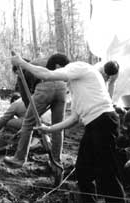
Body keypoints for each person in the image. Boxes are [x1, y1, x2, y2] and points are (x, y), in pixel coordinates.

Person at [11, 53, 126, 202]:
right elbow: (73, 118)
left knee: (106, 172)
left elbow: (46, 74)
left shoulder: (78, 67)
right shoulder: (76, 86)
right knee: (83, 171)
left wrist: (22, 63)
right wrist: (49, 129)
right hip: (93, 125)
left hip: (104, 121)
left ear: (59, 67)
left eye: (57, 73)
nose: (58, 79)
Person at [4, 54, 69, 185]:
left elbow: (26, 99)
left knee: (27, 123)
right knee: (58, 127)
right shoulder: (41, 61)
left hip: (45, 85)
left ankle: (19, 158)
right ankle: (56, 162)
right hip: (62, 86)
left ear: (17, 70)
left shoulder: (23, 71)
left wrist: (32, 116)